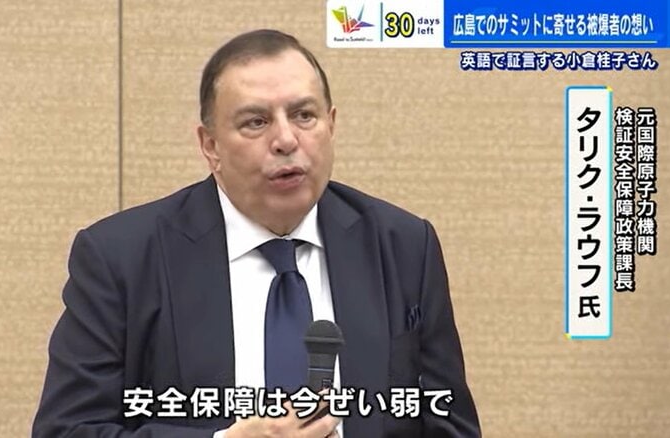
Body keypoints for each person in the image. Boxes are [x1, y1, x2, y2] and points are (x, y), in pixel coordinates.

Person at [32, 29, 480, 437]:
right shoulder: (122, 258)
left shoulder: (404, 246)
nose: (286, 140)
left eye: (304, 115)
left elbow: (450, 426)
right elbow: (66, 431)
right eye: (256, 122)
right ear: (210, 145)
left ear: (332, 125)